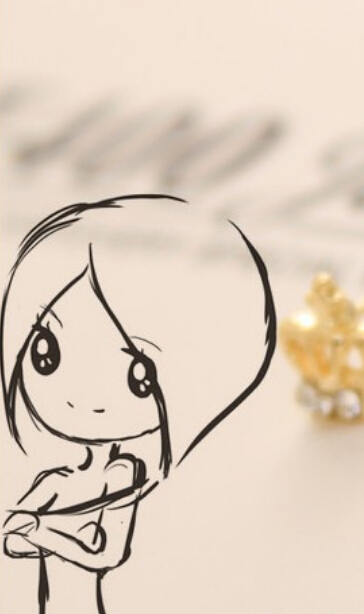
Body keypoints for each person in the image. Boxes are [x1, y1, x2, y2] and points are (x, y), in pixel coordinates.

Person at [1, 194, 275, 614]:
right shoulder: (54, 480)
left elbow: (105, 552)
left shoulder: (122, 474)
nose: (80, 397)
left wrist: (40, 531)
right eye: (45, 353)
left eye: (138, 377)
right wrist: (24, 534)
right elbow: (15, 540)